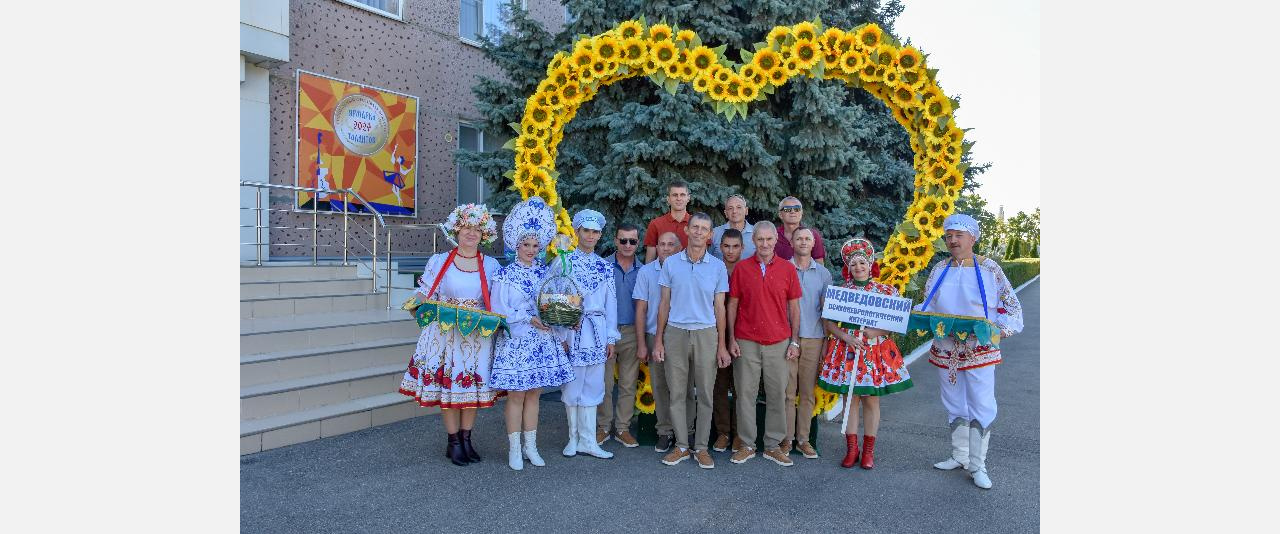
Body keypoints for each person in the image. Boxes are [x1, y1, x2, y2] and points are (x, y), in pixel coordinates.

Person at [918, 214, 1024, 489]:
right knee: (953, 402)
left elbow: (1013, 310)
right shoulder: (939, 269)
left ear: (972, 238)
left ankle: (978, 465)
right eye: (948, 236)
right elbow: (928, 306)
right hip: (945, 349)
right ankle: (960, 455)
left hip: (980, 351)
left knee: (981, 405)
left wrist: (995, 331)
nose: (952, 240)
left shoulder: (991, 270)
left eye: (958, 235)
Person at [398, 203, 503, 466]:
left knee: (470, 388)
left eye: (477, 229)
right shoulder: (440, 261)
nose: (471, 233)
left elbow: (498, 299)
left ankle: (467, 440)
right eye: (466, 228)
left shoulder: (490, 265)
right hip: (444, 332)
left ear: (484, 234)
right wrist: (415, 303)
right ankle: (453, 441)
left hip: (476, 334)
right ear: (456, 230)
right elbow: (426, 292)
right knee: (448, 387)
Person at [489, 197, 575, 471]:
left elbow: (555, 299)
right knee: (516, 394)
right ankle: (514, 449)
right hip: (516, 342)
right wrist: (528, 318)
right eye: (526, 244)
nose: (531, 249)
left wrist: (560, 320)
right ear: (516, 245)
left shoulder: (545, 273)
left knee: (535, 393)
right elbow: (498, 310)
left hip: (540, 342)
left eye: (536, 245)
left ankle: (531, 447)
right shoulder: (505, 275)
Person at [819, 238, 914, 470]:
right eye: (854, 264)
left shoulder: (885, 291)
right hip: (849, 349)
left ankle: (869, 451)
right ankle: (852, 449)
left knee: (871, 400)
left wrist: (874, 331)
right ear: (848, 268)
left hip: (874, 350)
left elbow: (897, 321)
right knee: (850, 400)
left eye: (862, 263)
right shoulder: (842, 292)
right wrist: (846, 336)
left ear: (870, 264)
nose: (858, 267)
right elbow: (828, 322)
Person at [652, 213, 731, 469]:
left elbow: (720, 308)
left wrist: (721, 344)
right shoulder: (671, 264)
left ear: (710, 235)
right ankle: (682, 446)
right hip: (675, 332)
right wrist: (659, 341)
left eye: (704, 229)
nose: (698, 232)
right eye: (695, 227)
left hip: (706, 334)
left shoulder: (718, 267)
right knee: (678, 392)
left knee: (705, 393)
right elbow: (664, 303)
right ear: (687, 230)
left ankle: (701, 448)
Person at [727, 221, 802, 467]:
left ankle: (772, 445)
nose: (765, 244)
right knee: (745, 395)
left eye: (770, 239)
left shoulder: (787, 270)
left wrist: (794, 341)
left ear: (776, 241)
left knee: (777, 395)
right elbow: (733, 305)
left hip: (779, 342)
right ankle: (747, 444)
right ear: (754, 241)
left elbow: (794, 308)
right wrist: (731, 338)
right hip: (746, 341)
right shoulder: (742, 269)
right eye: (760, 239)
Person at [553, 209, 620, 460]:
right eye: (586, 231)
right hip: (572, 331)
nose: (591, 236)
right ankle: (573, 439)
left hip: (597, 331)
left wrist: (611, 337)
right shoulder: (564, 261)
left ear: (600, 235)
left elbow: (610, 303)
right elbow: (552, 298)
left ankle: (589, 440)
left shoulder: (604, 267)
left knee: (593, 384)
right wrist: (561, 333)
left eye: (595, 232)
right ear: (578, 232)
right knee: (572, 384)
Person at [633, 231, 695, 453]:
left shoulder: (687, 268)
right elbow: (641, 309)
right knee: (659, 386)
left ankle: (687, 431)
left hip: (680, 334)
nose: (666, 248)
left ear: (679, 247)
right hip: (653, 335)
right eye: (662, 244)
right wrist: (642, 343)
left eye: (671, 244)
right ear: (656, 247)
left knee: (685, 386)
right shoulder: (646, 273)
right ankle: (664, 431)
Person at [782, 228, 833, 460]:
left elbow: (827, 311)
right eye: (799, 238)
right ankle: (786, 439)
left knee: (807, 392)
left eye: (807, 239)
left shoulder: (823, 274)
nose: (803, 241)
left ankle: (803, 439)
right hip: (786, 338)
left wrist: (826, 341)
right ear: (792, 241)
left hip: (813, 337)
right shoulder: (782, 268)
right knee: (787, 392)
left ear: (814, 244)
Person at [597, 223, 643, 448]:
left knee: (628, 383)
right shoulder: (602, 267)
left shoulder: (643, 270)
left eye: (632, 241)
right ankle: (604, 427)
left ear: (638, 243)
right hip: (606, 332)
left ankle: (622, 428)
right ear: (615, 240)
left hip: (632, 332)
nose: (627, 245)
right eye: (623, 240)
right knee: (604, 383)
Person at [711, 228, 744, 452]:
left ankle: (740, 433)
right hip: (716, 333)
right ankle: (723, 432)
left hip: (743, 335)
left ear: (742, 248)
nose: (730, 251)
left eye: (735, 246)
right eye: (726, 246)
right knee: (719, 385)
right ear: (720, 247)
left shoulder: (748, 269)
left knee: (743, 386)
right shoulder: (713, 268)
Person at [644, 181, 708, 262]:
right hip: (663, 272)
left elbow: (705, 257)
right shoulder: (655, 224)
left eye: (682, 195)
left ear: (688, 198)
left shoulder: (699, 224)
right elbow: (650, 260)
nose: (679, 198)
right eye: (675, 195)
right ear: (668, 199)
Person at [773, 196, 826, 264]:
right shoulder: (773, 235)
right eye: (787, 209)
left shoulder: (812, 235)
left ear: (801, 213)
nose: (792, 211)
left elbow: (819, 265)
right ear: (780, 214)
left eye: (797, 209)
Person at [711, 194, 755, 260]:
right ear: (725, 213)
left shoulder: (757, 233)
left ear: (746, 211)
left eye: (739, 207)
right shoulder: (714, 234)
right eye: (730, 208)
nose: (734, 211)